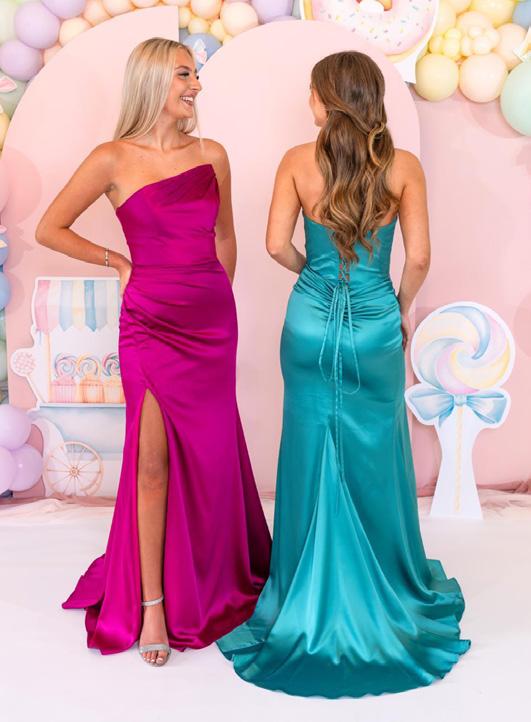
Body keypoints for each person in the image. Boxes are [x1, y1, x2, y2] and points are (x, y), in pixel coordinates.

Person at [216, 50, 470, 697]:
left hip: (309, 320)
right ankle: (385, 581)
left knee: (308, 448)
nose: (306, 101)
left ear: (328, 100)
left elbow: (275, 244)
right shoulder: (402, 167)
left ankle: (302, 585)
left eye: (311, 92)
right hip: (374, 323)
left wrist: (313, 272)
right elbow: (419, 257)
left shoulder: (295, 163)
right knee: (375, 451)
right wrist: (399, 306)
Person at [36, 37, 271, 667]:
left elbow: (225, 237)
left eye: (195, 75)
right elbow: (49, 227)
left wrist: (218, 299)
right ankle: (153, 606)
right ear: (151, 82)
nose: (196, 86)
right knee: (151, 466)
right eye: (184, 75)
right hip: (148, 324)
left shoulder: (212, 154)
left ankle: (214, 576)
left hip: (210, 324)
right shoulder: (111, 158)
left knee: (212, 455)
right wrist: (116, 260)